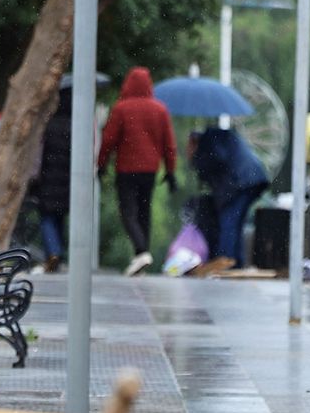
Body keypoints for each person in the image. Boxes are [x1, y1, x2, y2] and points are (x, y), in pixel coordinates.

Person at [97, 66, 177, 276]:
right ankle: (142, 255)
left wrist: (101, 164)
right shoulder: (160, 110)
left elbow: (109, 139)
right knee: (144, 212)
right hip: (150, 170)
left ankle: (141, 252)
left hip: (126, 168)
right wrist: (171, 170)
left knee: (128, 211)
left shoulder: (122, 108)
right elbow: (169, 142)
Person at [191, 120, 269, 268]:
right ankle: (236, 263)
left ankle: (225, 261)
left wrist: (198, 161)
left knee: (229, 223)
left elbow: (218, 159)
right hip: (251, 180)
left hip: (242, 182)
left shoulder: (209, 139)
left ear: (194, 141)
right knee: (236, 224)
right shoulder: (217, 137)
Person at [32, 83, 74, 272]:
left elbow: (38, 154)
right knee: (59, 216)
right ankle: (58, 252)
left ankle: (53, 251)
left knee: (47, 216)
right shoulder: (76, 126)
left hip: (48, 177)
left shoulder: (49, 124)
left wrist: (34, 176)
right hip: (68, 180)